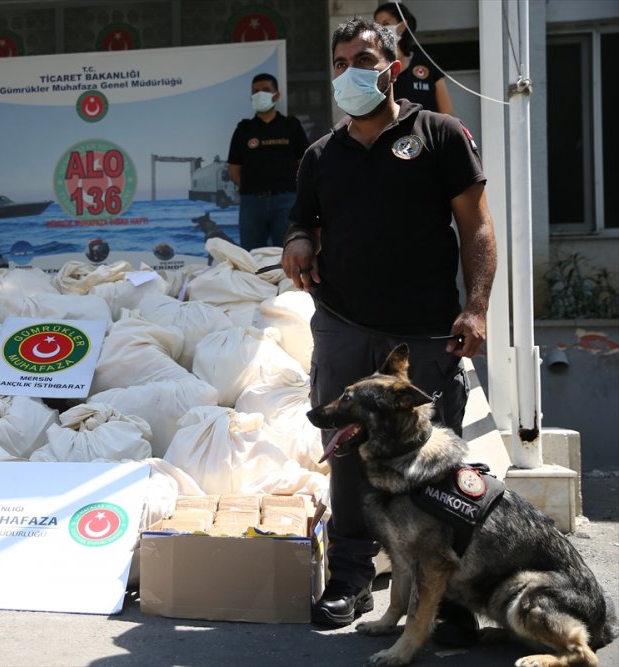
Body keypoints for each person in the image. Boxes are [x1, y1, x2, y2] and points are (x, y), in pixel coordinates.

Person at [279, 18, 496, 632]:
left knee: (435, 459)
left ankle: (449, 593)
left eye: (365, 58)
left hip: (424, 331)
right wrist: (297, 241)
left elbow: (476, 226)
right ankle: (351, 577)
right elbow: (303, 221)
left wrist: (475, 306)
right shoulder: (321, 155)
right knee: (347, 454)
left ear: (392, 66)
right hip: (345, 324)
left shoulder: (440, 134)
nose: (354, 70)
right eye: (343, 60)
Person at [227, 73, 309, 251]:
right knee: (251, 258)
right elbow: (234, 170)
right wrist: (253, 189)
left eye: (265, 90)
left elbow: (304, 165)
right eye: (255, 92)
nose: (260, 94)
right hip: (252, 203)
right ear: (251, 97)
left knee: (290, 253)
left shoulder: (291, 126)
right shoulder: (243, 129)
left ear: (276, 95)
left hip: (286, 202)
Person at [374, 2, 454, 115]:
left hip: (426, 132)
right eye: (377, 25)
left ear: (402, 26)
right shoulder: (375, 68)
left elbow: (447, 112)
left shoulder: (427, 62)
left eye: (386, 23)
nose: (381, 29)